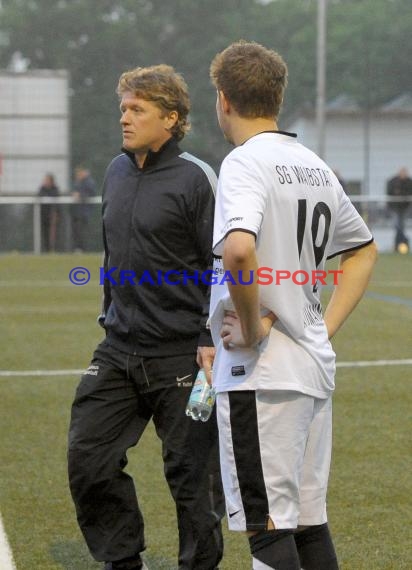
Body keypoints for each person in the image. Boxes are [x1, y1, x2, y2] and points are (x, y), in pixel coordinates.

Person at [208, 41, 378, 570]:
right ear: (277, 97)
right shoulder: (313, 164)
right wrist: (321, 327)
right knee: (307, 525)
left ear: (224, 100)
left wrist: (255, 333)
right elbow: (364, 249)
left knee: (267, 531)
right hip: (309, 365)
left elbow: (238, 247)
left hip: (263, 375)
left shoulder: (243, 162)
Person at [68, 64, 224, 570]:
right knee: (88, 461)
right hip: (117, 350)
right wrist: (109, 314)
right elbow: (113, 256)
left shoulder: (198, 178)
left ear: (171, 118)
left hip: (183, 357)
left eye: (138, 109)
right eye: (123, 109)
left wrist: (207, 332)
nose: (125, 118)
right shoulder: (115, 171)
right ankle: (123, 561)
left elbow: (222, 263)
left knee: (190, 481)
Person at [386, 167, 412, 252]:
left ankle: (400, 244)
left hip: (405, 208)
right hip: (395, 208)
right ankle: (400, 243)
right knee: (397, 225)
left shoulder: (409, 181)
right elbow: (389, 192)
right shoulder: (393, 181)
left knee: (401, 226)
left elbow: (408, 192)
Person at [71, 165, 96, 252]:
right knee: (76, 231)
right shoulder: (77, 182)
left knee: (83, 231)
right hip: (77, 212)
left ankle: (83, 249)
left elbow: (90, 194)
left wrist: (80, 195)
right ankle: (78, 248)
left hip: (84, 212)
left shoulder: (89, 182)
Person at [37, 173, 59, 252]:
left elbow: (56, 198)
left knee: (53, 234)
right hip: (44, 215)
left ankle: (54, 249)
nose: (45, 181)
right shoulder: (42, 188)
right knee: (45, 233)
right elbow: (39, 196)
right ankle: (46, 250)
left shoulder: (55, 189)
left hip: (52, 214)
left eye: (47, 180)